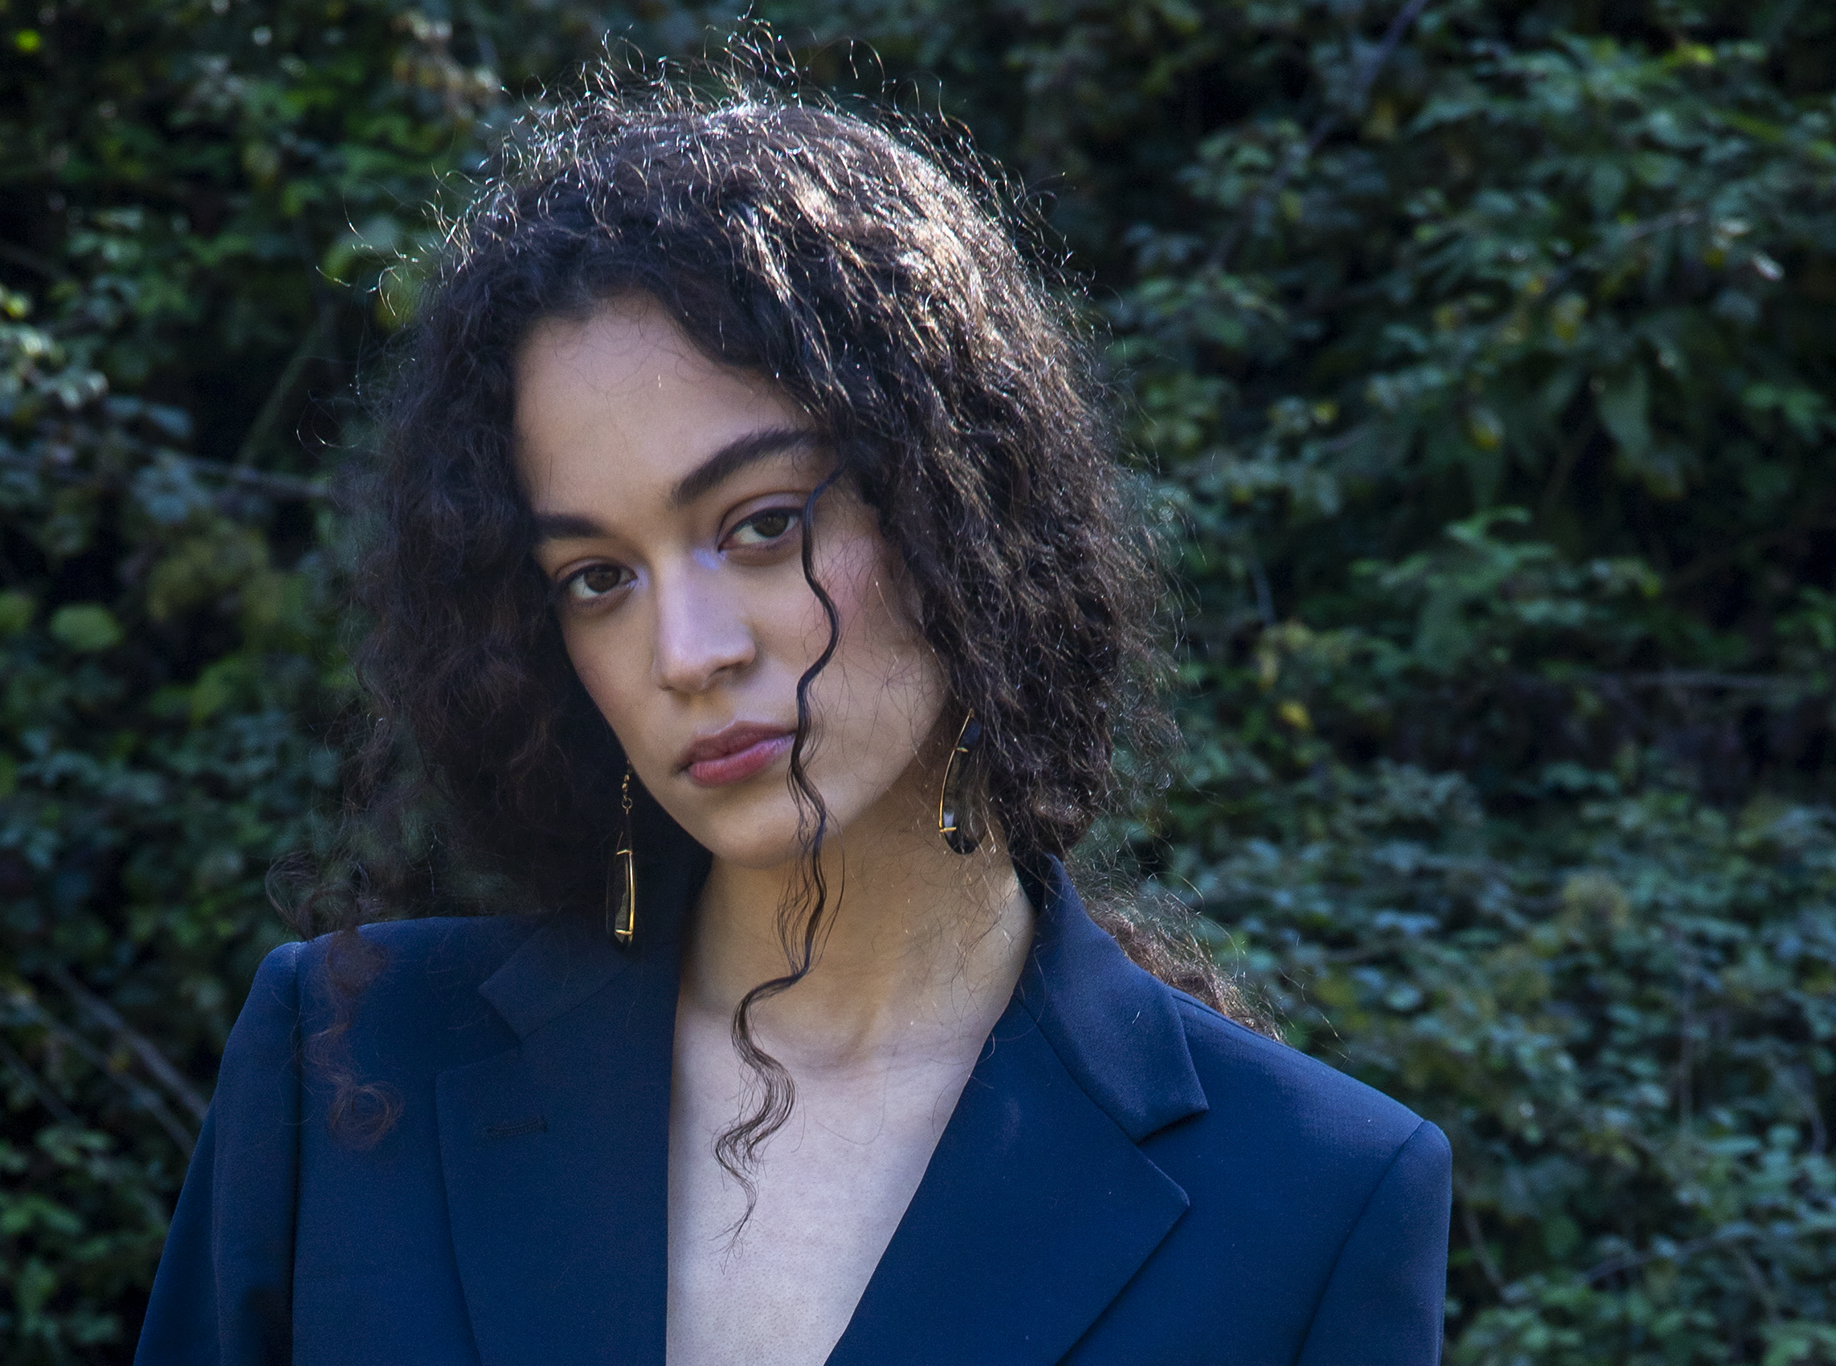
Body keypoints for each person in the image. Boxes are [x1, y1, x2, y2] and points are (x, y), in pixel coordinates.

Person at [133, 75, 1452, 1366]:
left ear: (954, 499)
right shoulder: (344, 1068)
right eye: (596, 577)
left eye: (762, 525)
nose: (688, 653)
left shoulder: (1311, 1202)